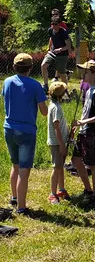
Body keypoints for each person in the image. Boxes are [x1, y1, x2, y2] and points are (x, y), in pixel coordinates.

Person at [2, 53, 48, 214]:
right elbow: (44, 112)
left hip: (8, 128)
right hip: (26, 131)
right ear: (30, 67)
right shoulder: (35, 85)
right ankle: (22, 207)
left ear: (14, 67)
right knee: (24, 170)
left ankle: (14, 197)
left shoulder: (7, 82)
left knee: (14, 165)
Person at [72, 60, 95, 206]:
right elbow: (87, 111)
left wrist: (83, 123)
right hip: (84, 131)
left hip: (92, 133)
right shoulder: (89, 90)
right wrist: (79, 124)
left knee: (93, 165)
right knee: (75, 160)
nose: (83, 74)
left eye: (86, 71)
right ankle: (88, 189)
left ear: (94, 74)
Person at [47, 81, 70, 204]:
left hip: (59, 142)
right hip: (57, 143)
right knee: (56, 168)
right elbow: (56, 127)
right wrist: (61, 145)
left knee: (60, 167)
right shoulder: (56, 108)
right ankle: (52, 194)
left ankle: (61, 190)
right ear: (62, 95)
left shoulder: (52, 104)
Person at [41, 16, 72, 94]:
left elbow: (68, 45)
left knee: (62, 73)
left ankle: (65, 91)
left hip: (62, 54)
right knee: (43, 65)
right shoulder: (50, 30)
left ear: (59, 24)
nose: (53, 26)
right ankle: (45, 86)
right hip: (53, 52)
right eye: (52, 24)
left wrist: (60, 49)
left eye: (55, 24)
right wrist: (49, 48)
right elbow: (51, 38)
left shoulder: (63, 32)